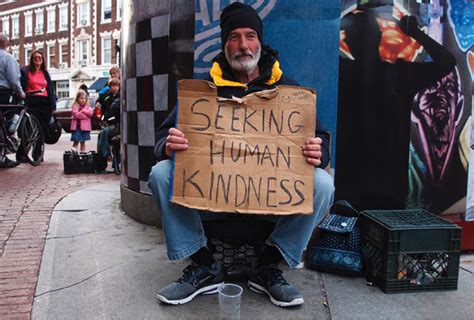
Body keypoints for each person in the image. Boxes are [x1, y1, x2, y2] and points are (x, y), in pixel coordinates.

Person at [148, 3, 334, 308]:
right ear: (225, 44)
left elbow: (321, 138)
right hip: (212, 195)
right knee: (160, 173)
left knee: (323, 184)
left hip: (271, 199)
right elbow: (161, 138)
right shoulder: (203, 91)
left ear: (259, 41)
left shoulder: (288, 89)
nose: (243, 45)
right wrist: (168, 145)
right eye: (234, 37)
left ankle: (268, 265)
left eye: (250, 36)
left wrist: (320, 151)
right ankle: (205, 265)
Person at [335, 9, 456, 210]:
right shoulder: (399, 74)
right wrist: (416, 34)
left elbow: (447, 62)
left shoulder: (344, 72)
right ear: (379, 37)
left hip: (357, 175)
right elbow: (446, 62)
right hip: (385, 177)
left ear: (348, 42)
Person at [0, 34, 25, 168]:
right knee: (11, 118)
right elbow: (14, 80)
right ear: (6, 44)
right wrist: (21, 92)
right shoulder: (8, 58)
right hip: (3, 92)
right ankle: (4, 150)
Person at [20, 50, 57, 137]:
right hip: (32, 101)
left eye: (40, 57)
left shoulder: (45, 73)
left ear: (43, 60)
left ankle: (38, 149)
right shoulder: (25, 71)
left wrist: (53, 105)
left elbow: (50, 89)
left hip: (45, 103)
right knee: (30, 128)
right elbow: (21, 86)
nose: (38, 59)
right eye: (35, 58)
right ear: (32, 60)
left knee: (42, 129)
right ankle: (24, 148)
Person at [97, 77, 120, 165]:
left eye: (116, 85)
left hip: (117, 124)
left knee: (104, 132)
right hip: (109, 123)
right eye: (112, 86)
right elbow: (102, 107)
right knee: (101, 133)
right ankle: (101, 161)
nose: (114, 88)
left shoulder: (121, 97)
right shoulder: (107, 97)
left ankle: (106, 155)